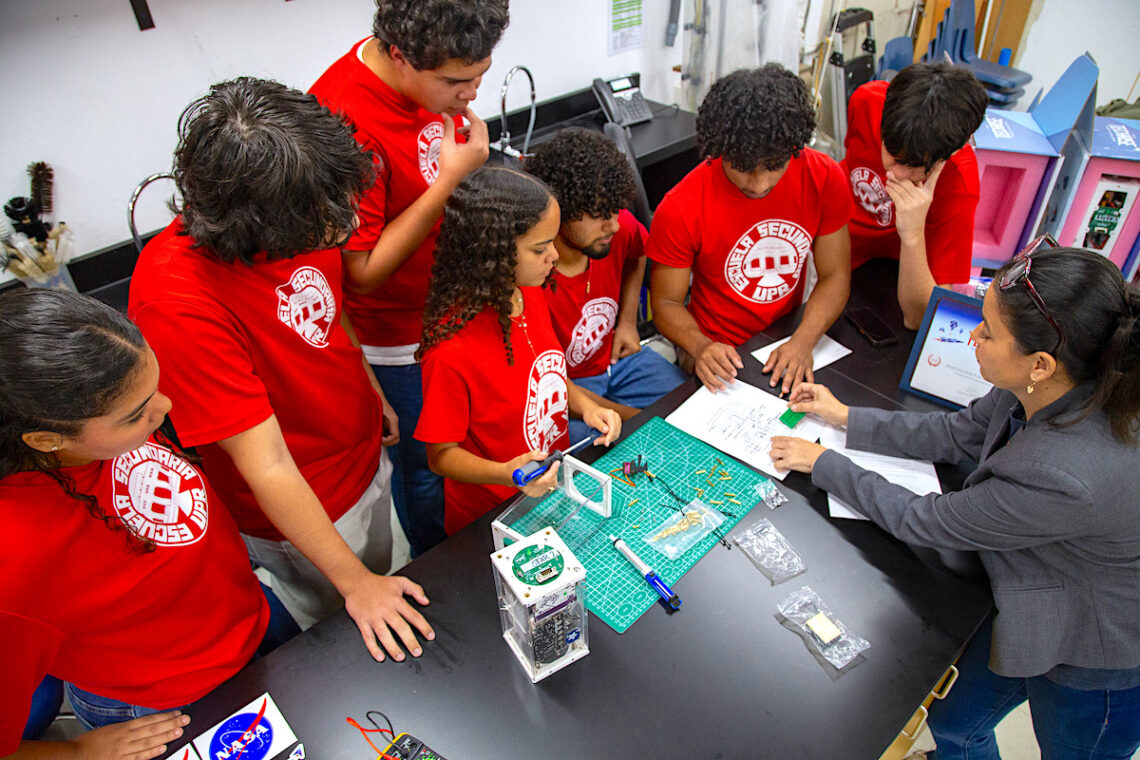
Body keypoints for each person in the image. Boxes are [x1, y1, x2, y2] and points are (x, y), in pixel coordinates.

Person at [770, 243, 1140, 759]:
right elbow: (957, 432)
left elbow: (928, 520)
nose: (973, 337)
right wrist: (845, 417)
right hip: (1027, 595)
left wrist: (824, 463)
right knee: (953, 723)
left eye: (988, 332)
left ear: (1040, 362)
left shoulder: (1065, 471)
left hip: (1091, 656)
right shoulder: (1048, 381)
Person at [129, 78, 433, 663]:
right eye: (328, 222)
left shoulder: (305, 199)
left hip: (362, 454)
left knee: (397, 572)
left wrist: (370, 389)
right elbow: (265, 464)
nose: (346, 229)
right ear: (255, 224)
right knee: (355, 640)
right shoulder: (174, 301)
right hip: (311, 507)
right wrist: (354, 584)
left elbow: (326, 307)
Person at [0, 288, 299, 759]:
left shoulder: (110, 418)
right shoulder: (12, 558)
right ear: (46, 439)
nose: (165, 410)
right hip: (165, 702)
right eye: (137, 415)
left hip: (250, 619)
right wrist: (76, 753)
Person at [310, 0, 508, 557]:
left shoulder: (432, 79)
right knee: (426, 472)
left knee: (471, 449)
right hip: (398, 340)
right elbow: (361, 274)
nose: (470, 95)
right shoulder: (342, 121)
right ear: (400, 56)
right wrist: (450, 181)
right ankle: (443, 576)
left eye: (479, 77)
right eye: (455, 82)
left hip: (452, 311)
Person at [415, 167, 623, 534]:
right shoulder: (451, 349)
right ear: (491, 253)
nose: (555, 256)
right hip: (492, 512)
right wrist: (510, 473)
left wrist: (588, 407)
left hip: (547, 490)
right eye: (540, 248)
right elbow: (440, 456)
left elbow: (548, 376)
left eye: (553, 242)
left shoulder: (528, 291)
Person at [648, 64, 853, 395]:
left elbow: (835, 275)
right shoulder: (680, 205)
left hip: (786, 332)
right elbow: (667, 305)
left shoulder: (824, 177)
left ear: (795, 149)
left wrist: (802, 342)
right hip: (714, 345)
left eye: (774, 167)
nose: (759, 184)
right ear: (720, 151)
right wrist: (700, 346)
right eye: (742, 169)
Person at [524, 127, 688, 441]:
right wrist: (641, 419)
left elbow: (636, 254)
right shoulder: (530, 276)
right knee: (580, 453)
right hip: (565, 389)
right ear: (558, 211)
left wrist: (626, 321)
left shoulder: (617, 228)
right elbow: (553, 384)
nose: (613, 224)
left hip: (618, 363)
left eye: (614, 210)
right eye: (599, 214)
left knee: (691, 402)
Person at [842, 62, 988, 329]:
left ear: (949, 154)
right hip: (839, 250)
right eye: (890, 154)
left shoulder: (958, 182)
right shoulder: (866, 101)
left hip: (894, 278)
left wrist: (912, 234)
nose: (894, 173)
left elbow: (921, 318)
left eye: (910, 165)